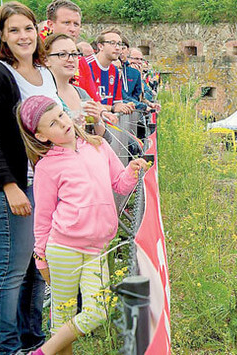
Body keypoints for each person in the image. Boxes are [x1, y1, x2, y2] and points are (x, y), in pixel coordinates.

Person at [17, 95, 148, 355]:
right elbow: (43, 218)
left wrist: (132, 171)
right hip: (63, 248)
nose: (62, 123)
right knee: (63, 315)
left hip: (98, 248)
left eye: (61, 115)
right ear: (42, 136)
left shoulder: (98, 145)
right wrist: (41, 258)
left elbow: (119, 184)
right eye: (52, 124)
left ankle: (41, 352)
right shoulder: (46, 167)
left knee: (97, 311)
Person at [0, 3, 55, 353]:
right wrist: (9, 185)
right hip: (15, 184)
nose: (22, 36)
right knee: (10, 273)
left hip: (44, 183)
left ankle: (32, 340)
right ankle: (6, 348)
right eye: (13, 30)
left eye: (27, 28)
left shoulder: (46, 73)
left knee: (34, 268)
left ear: (37, 32)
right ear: (2, 36)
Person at [43, 33, 117, 136]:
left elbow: (106, 138)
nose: (70, 59)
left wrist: (97, 120)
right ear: (46, 60)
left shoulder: (81, 93)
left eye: (74, 54)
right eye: (62, 54)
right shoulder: (43, 95)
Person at [43, 0, 100, 102]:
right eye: (66, 23)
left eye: (76, 24)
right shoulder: (36, 59)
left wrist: (102, 113)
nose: (72, 29)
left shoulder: (81, 62)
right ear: (50, 25)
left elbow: (94, 102)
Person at [85, 28, 133, 114]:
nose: (118, 48)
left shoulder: (114, 70)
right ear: (100, 46)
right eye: (112, 43)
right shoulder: (86, 65)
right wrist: (112, 108)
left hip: (105, 123)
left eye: (119, 44)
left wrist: (125, 107)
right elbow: (85, 104)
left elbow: (117, 102)